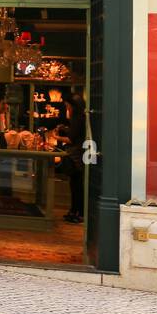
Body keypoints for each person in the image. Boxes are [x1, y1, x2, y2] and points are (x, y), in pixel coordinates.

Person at [58, 92, 87, 223]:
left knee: (76, 185)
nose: (67, 109)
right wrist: (65, 129)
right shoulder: (82, 117)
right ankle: (75, 211)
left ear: (73, 106)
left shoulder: (77, 118)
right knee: (76, 184)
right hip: (80, 155)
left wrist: (56, 137)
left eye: (67, 106)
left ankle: (77, 212)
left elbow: (71, 139)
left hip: (76, 156)